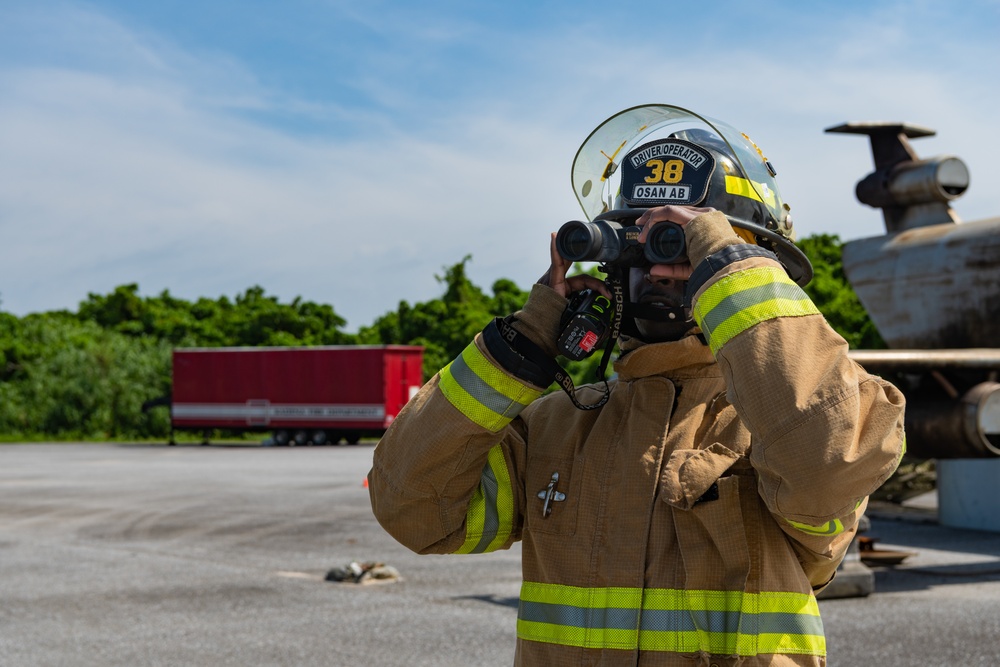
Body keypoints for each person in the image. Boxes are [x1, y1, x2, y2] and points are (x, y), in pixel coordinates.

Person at [368, 104, 906, 666]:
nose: (655, 267)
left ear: (755, 263)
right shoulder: (558, 425)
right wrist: (519, 350)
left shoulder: (790, 417)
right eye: (638, 241)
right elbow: (414, 510)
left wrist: (721, 263)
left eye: (678, 243)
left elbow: (829, 461)